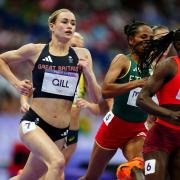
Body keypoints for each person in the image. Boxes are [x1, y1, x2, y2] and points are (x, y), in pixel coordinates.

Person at [0, 8, 101, 180]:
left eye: (73, 23)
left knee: (27, 177)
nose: (70, 26)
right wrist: (16, 83)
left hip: (61, 131)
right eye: (65, 22)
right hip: (34, 123)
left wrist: (89, 74)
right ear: (52, 26)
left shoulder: (83, 55)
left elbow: (96, 98)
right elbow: (2, 59)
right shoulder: (36, 50)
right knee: (57, 162)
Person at [79, 21, 153, 180]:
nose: (148, 40)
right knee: (90, 177)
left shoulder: (153, 67)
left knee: (138, 167)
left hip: (137, 129)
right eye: (143, 36)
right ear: (132, 40)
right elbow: (105, 91)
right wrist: (137, 83)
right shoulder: (123, 60)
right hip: (113, 127)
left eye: (151, 38)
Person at [136, 29, 180, 180]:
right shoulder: (169, 66)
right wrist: (169, 113)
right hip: (161, 138)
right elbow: (142, 99)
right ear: (178, 45)